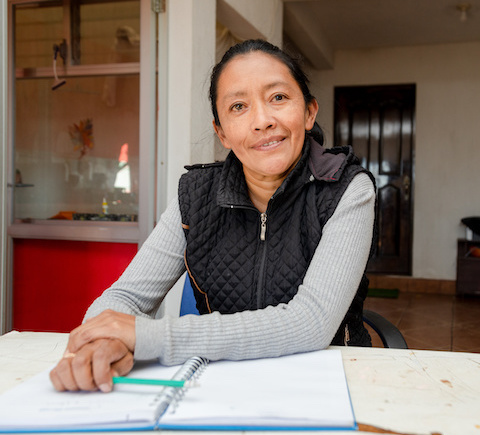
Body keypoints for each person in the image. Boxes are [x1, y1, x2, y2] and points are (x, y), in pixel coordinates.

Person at [50, 39, 376, 393]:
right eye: (239, 106)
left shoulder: (347, 189)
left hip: (327, 385)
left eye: (278, 98)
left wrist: (145, 336)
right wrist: (103, 344)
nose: (263, 121)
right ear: (221, 131)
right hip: (222, 386)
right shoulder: (195, 195)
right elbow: (126, 298)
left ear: (309, 112)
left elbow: (311, 322)